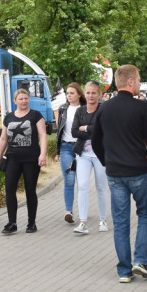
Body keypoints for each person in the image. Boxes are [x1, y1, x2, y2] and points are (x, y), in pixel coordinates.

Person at [92, 65, 147, 282]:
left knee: (120, 222)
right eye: (138, 79)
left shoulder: (105, 108)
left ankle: (124, 270)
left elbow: (95, 141)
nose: (140, 83)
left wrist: (106, 162)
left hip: (115, 173)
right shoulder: (141, 108)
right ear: (130, 82)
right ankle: (140, 260)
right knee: (146, 214)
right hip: (139, 171)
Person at [0, 88, 47, 234]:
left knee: (30, 190)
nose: (24, 101)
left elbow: (43, 135)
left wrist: (42, 154)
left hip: (31, 159)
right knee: (10, 190)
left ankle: (31, 223)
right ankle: (12, 223)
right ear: (15, 101)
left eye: (26, 98)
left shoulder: (36, 115)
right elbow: (4, 138)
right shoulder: (9, 117)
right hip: (13, 158)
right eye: (21, 99)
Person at [71, 80, 109, 234]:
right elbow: (74, 132)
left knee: (101, 187)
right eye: (88, 92)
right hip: (83, 154)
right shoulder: (80, 111)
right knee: (83, 186)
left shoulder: (103, 110)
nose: (91, 95)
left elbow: (105, 129)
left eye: (94, 92)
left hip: (100, 154)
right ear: (84, 94)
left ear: (99, 94)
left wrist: (85, 127)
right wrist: (93, 131)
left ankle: (103, 220)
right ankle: (83, 222)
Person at [55, 82, 86, 224]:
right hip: (66, 147)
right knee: (69, 180)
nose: (69, 95)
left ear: (79, 94)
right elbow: (59, 131)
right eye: (67, 93)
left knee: (82, 182)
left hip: (82, 147)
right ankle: (68, 211)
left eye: (72, 93)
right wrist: (57, 150)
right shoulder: (63, 109)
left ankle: (83, 211)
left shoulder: (85, 109)